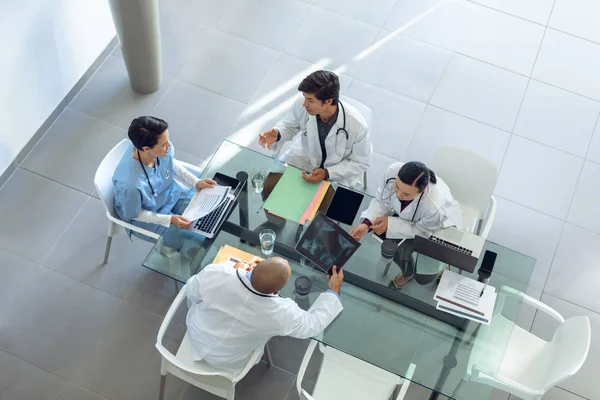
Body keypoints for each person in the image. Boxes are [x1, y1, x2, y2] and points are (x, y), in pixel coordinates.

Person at [185, 257, 344, 373]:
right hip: (231, 361)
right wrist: (334, 290)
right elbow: (312, 326)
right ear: (277, 291)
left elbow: (192, 292)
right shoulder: (280, 312)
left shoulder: (216, 272)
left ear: (255, 266)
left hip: (196, 338)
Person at [349, 162, 462, 289]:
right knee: (396, 250)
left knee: (424, 278)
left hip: (439, 227)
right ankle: (408, 274)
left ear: (422, 191)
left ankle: (444, 266)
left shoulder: (434, 206)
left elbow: (421, 230)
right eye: (396, 186)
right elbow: (382, 201)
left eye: (406, 194)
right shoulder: (392, 171)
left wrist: (390, 223)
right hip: (411, 221)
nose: (398, 195)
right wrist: (367, 223)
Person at [258, 70, 372, 187]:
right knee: (270, 189)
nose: (304, 104)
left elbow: (360, 162)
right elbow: (289, 125)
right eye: (305, 98)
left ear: (328, 101)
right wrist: (278, 133)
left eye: (310, 101)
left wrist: (327, 173)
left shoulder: (357, 126)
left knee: (321, 205)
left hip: (337, 172)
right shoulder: (303, 105)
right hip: (305, 159)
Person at [112, 116, 216, 241]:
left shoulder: (161, 150)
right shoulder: (130, 185)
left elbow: (170, 162)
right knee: (200, 240)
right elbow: (135, 214)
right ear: (146, 149)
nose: (169, 146)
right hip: (149, 217)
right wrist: (169, 220)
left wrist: (195, 181)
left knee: (214, 215)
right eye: (164, 145)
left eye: (167, 140)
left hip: (173, 194)